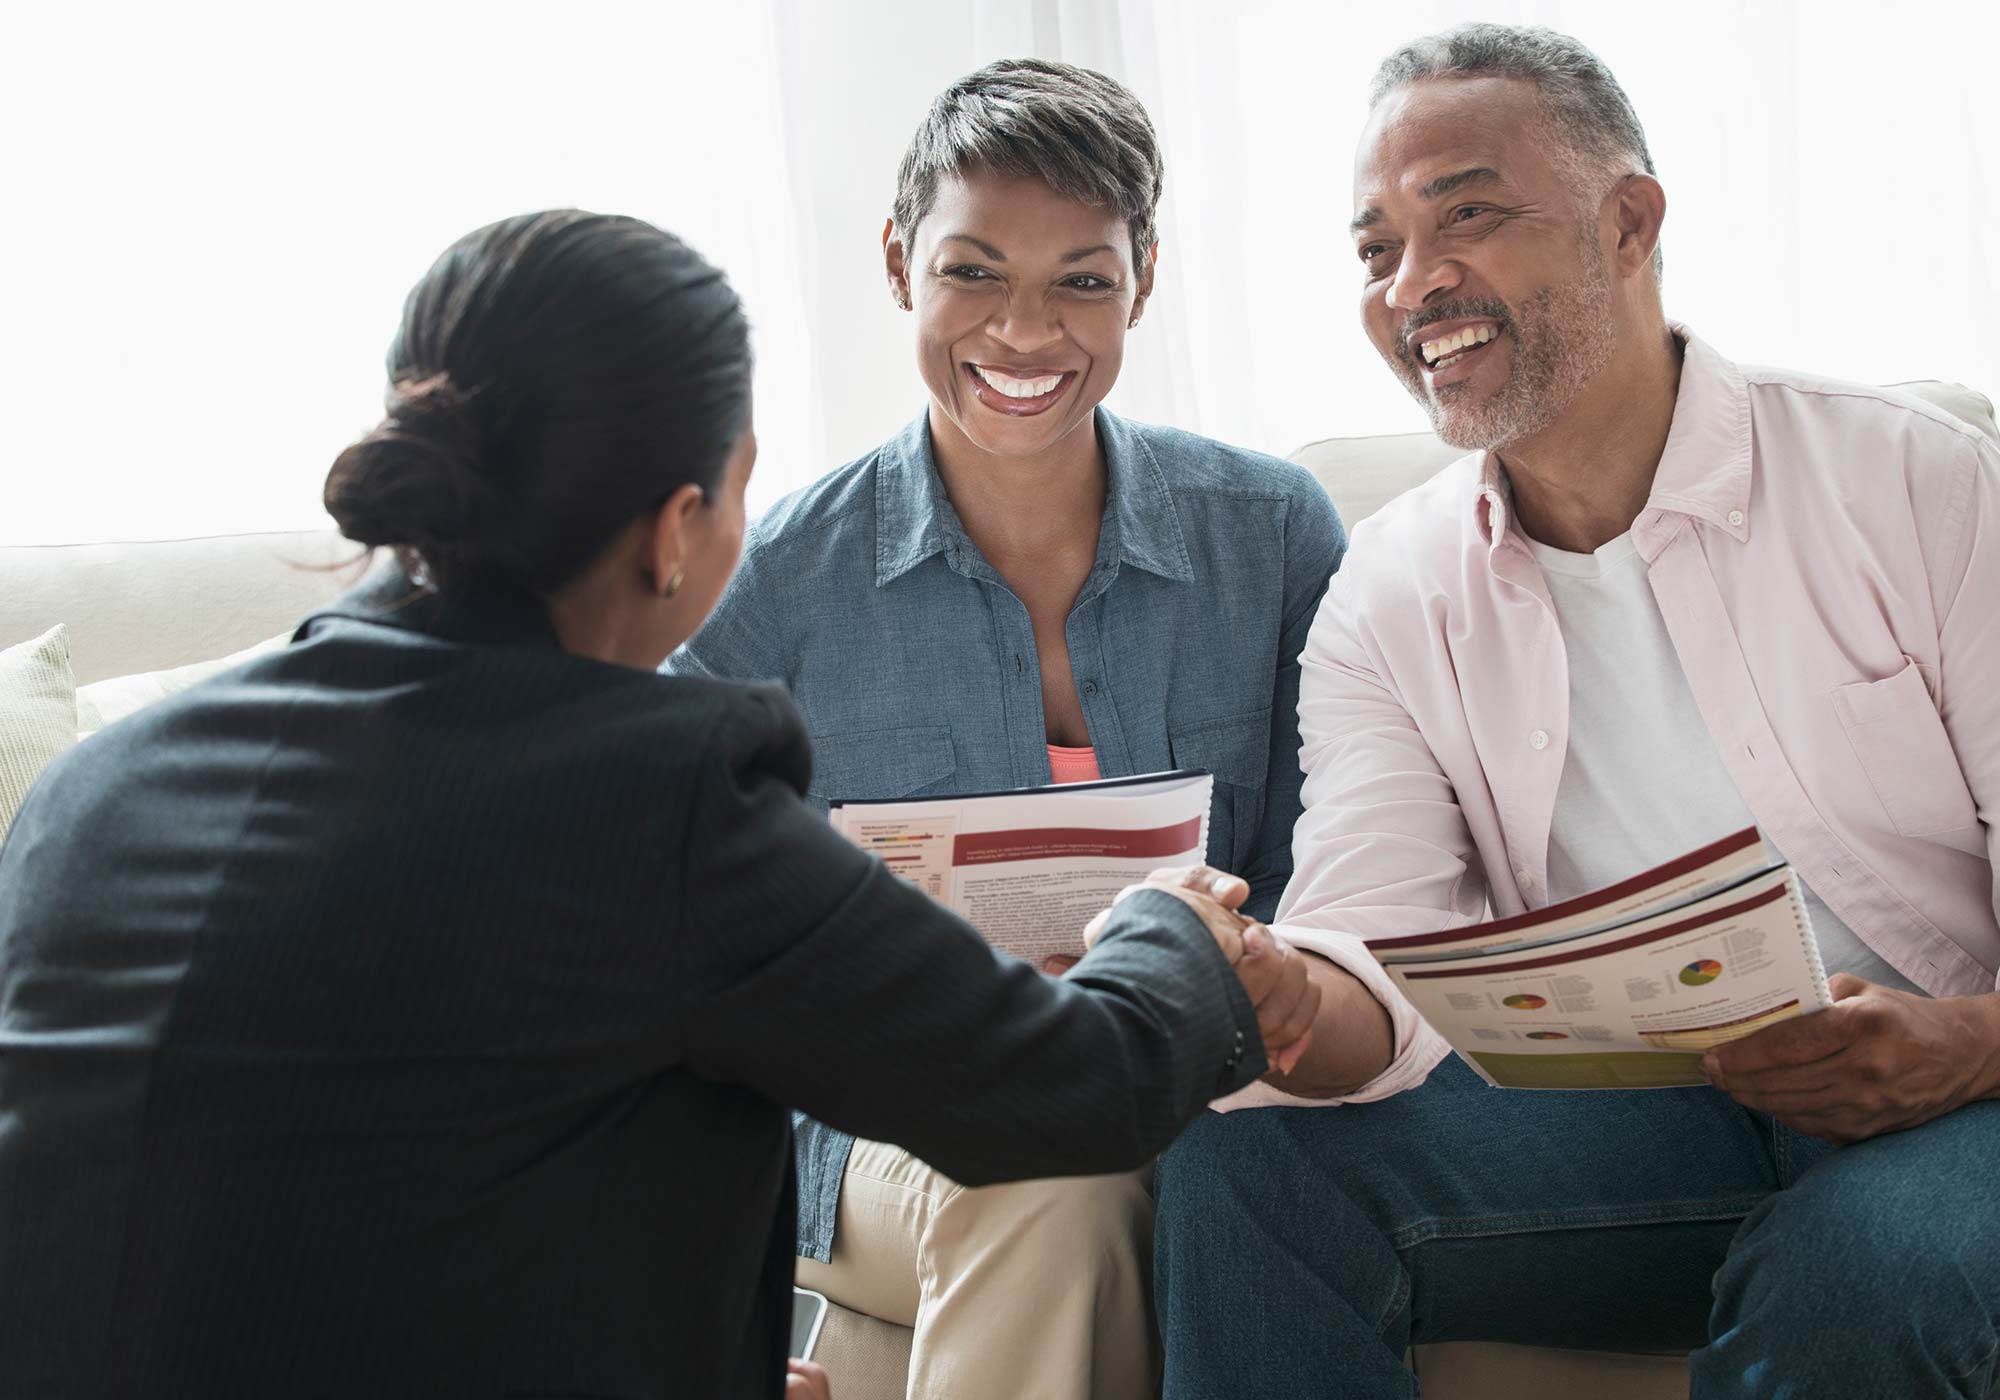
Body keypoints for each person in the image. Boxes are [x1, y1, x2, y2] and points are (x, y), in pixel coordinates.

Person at [0, 209, 1319, 1399]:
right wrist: (1172, 928)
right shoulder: (654, 795)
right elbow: (1075, 1094)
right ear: (680, 524)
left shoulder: (96, 790)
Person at [1150, 22, 2000, 1400]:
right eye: (1376, 252)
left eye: (1466, 216)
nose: (1415, 285)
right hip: (1653, 1122)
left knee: (1863, 1260)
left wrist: (1964, 1048)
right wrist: (1277, 996)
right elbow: (1375, 965)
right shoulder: (1387, 590)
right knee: (1238, 1159)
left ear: (1629, 222)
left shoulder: (1917, 480)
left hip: (1968, 1103)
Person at [666, 58, 1362, 1400]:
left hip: (1206, 1079)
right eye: (975, 273)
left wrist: (1241, 958)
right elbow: (686, 943)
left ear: (1143, 279)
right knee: (1056, 1146)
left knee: (1133, 1146)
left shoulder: (1272, 535)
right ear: (896, 263)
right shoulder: (774, 585)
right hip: (879, 1133)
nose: (1027, 333)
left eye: (1082, 281)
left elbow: (1335, 868)